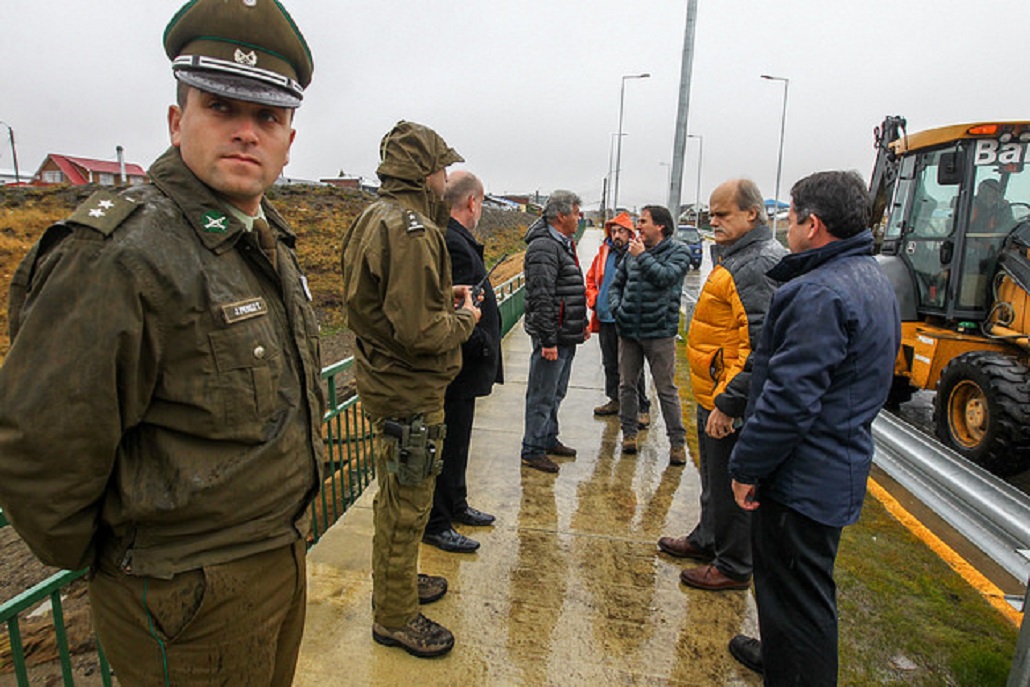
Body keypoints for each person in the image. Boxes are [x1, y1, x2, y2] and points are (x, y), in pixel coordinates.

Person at [0, 2, 322, 684]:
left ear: (289, 139)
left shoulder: (262, 239)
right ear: (178, 123)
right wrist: (131, 562)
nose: (245, 132)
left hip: (277, 566)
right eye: (221, 107)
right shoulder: (121, 253)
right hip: (184, 602)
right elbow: (40, 452)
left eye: (266, 117)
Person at [727, 171, 901, 683]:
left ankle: (796, 670)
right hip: (834, 463)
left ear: (814, 224)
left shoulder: (817, 293)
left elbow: (788, 400)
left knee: (800, 597)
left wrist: (747, 466)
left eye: (792, 215)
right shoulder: (869, 277)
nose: (787, 226)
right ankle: (780, 655)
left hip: (801, 475)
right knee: (794, 588)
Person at [341, 121, 479, 658]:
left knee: (398, 498)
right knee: (406, 505)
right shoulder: (412, 230)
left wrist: (444, 293)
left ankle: (398, 583)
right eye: (442, 167)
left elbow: (385, 304)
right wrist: (464, 317)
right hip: (410, 392)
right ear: (427, 172)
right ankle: (395, 616)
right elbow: (422, 333)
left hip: (386, 380)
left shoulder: (377, 217)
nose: (447, 178)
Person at [659, 179, 786, 592]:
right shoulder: (739, 257)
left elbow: (759, 343)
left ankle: (732, 564)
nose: (713, 222)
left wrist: (730, 403)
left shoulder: (756, 265)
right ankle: (708, 538)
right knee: (713, 477)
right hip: (713, 392)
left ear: (752, 214)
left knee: (733, 482)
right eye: (711, 214)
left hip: (728, 400)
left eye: (722, 214)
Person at [422, 171, 503, 554]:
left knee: (458, 443)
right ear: (472, 202)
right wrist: (483, 344)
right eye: (482, 202)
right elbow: (452, 310)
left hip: (465, 367)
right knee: (446, 444)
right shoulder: (453, 242)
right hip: (457, 366)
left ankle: (456, 504)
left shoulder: (456, 239)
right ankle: (437, 523)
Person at [609, 205, 691, 464]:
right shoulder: (632, 252)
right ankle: (629, 435)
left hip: (659, 333)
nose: (639, 226)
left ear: (661, 226)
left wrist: (642, 256)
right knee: (627, 385)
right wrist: (617, 309)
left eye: (643, 221)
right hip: (629, 330)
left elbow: (665, 278)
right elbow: (616, 285)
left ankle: (677, 444)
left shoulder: (679, 252)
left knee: (666, 389)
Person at [520, 190, 589, 474]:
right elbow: (541, 295)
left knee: (556, 391)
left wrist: (580, 323)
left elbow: (570, 289)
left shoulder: (562, 243)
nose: (579, 217)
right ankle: (532, 448)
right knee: (542, 393)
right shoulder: (545, 247)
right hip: (553, 336)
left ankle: (548, 437)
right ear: (561, 216)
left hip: (565, 334)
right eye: (575, 212)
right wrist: (548, 340)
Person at [585, 211, 651, 426]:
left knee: (633, 367)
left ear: (629, 232)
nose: (616, 235)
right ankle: (615, 399)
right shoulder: (604, 253)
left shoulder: (637, 254)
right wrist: (594, 299)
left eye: (621, 231)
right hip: (605, 317)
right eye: (613, 231)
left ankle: (642, 407)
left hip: (628, 319)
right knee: (610, 362)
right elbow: (591, 279)